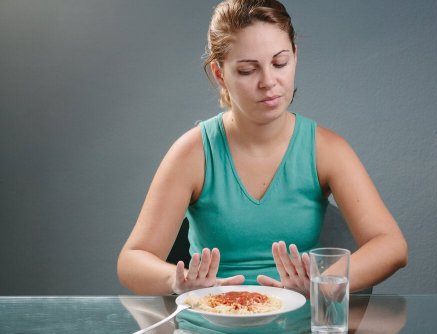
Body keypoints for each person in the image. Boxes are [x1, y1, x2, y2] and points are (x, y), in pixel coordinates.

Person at [117, 0, 408, 297]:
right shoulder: (193, 152)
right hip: (211, 324)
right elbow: (131, 260)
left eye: (280, 63)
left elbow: (392, 246)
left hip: (299, 326)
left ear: (295, 56)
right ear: (220, 75)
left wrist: (321, 283)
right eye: (247, 70)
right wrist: (177, 281)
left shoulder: (327, 149)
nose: (269, 82)